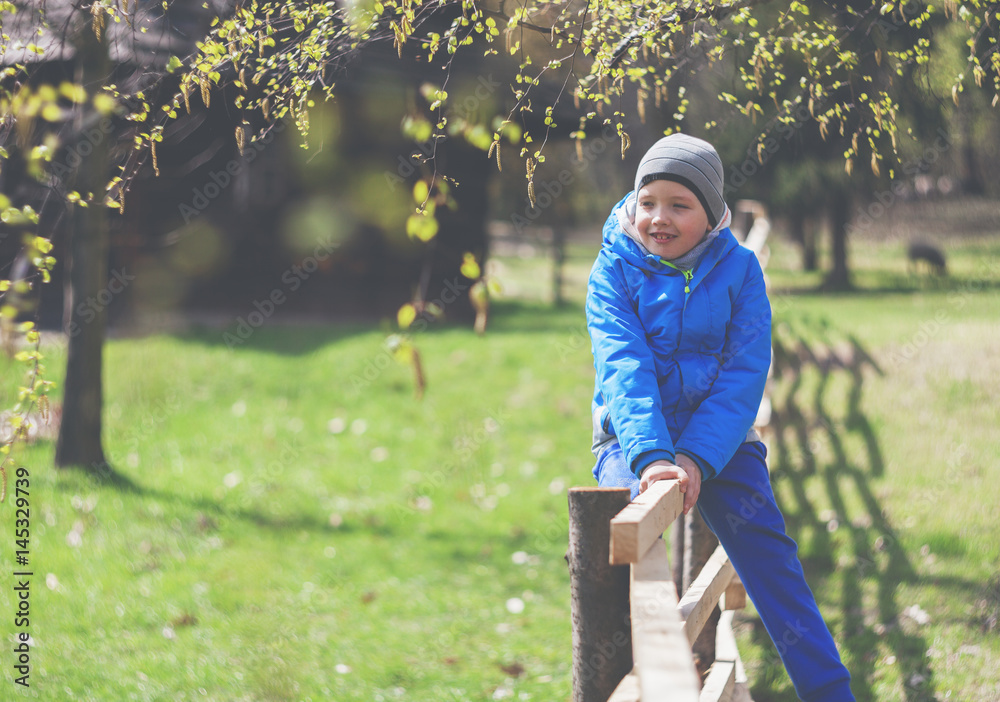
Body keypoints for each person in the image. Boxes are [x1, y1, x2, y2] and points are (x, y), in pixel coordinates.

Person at [586, 133, 855, 702]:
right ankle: (647, 685)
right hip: (631, 441)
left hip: (722, 441)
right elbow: (623, 366)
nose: (659, 217)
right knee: (629, 562)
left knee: (772, 563)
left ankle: (830, 691)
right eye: (648, 201)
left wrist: (697, 457)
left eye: (679, 205)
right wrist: (657, 459)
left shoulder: (741, 271)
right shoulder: (613, 270)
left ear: (711, 216)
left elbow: (743, 375)